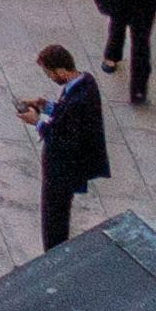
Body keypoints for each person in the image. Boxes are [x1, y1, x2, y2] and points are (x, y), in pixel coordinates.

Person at [28, 42, 110, 247]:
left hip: (63, 171)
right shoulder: (85, 83)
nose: (51, 78)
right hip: (66, 169)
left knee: (54, 219)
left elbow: (63, 139)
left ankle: (53, 255)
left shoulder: (78, 99)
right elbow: (70, 118)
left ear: (62, 70)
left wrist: (37, 122)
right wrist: (46, 106)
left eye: (50, 74)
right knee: (56, 216)